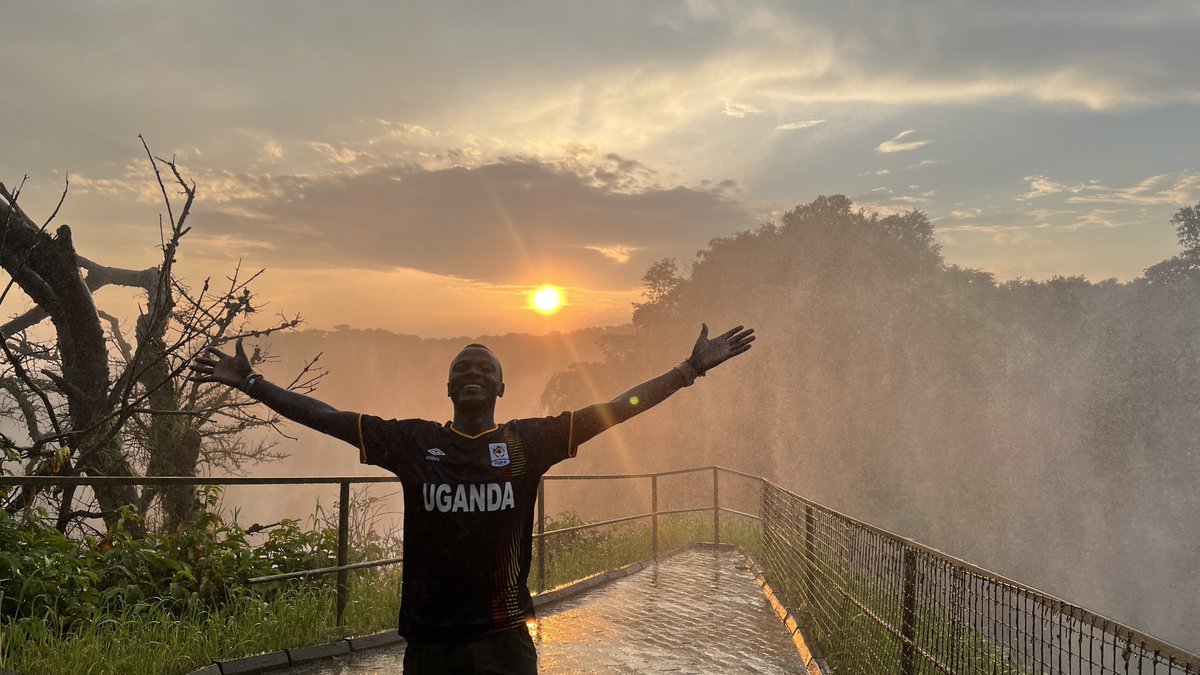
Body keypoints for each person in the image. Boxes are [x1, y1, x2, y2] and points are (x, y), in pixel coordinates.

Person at [189, 323, 754, 674]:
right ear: (449, 387)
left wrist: (688, 371)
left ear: (502, 387)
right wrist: (253, 384)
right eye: (462, 368)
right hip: (431, 646)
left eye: (485, 368)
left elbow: (614, 410)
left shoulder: (529, 443)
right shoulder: (414, 443)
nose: (473, 373)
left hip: (504, 643)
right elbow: (328, 418)